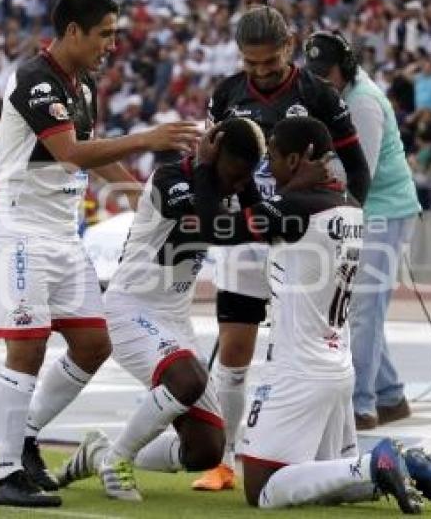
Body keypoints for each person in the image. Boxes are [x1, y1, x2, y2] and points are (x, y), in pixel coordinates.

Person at [0, 0, 199, 508]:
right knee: (28, 346)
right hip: (19, 230)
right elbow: (70, 151)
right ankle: (5, 472)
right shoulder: (35, 79)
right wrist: (147, 138)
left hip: (60, 231)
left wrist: (140, 198)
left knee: (92, 344)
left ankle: (26, 438)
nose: (112, 44)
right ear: (73, 31)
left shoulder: (82, 84)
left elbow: (93, 156)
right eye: (104, 33)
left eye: (115, 34)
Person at [197, 118, 431, 513]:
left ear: (297, 159)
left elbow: (214, 227)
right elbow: (274, 213)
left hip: (296, 370)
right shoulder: (350, 206)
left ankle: (375, 464)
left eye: (272, 158)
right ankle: (405, 465)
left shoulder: (294, 209)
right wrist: (265, 187)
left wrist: (207, 167)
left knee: (264, 489)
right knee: (324, 478)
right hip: (336, 367)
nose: (267, 168)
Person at [195, 5, 370, 492]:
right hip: (250, 235)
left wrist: (347, 221)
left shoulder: (320, 94)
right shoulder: (226, 95)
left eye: (269, 62)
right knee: (234, 348)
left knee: (317, 346)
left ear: (290, 46)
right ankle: (227, 459)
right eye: (251, 64)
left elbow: (356, 169)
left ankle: (336, 453)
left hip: (304, 239)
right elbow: (209, 167)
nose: (261, 72)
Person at [58, 118, 276, 501]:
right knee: (188, 380)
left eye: (247, 178)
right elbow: (209, 225)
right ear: (213, 155)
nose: (240, 185)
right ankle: (118, 461)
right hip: (131, 309)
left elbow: (258, 220)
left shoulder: (231, 179)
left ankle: (100, 453)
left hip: (175, 318)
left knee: (207, 448)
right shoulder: (169, 180)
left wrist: (241, 184)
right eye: (236, 175)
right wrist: (208, 169)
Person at [304, 30, 422, 430]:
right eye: (315, 73)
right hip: (362, 210)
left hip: (383, 210)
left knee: (363, 311)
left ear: (346, 68)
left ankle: (361, 405)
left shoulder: (364, 103)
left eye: (328, 73)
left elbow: (361, 175)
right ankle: (391, 397)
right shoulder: (332, 98)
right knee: (361, 310)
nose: (322, 80)